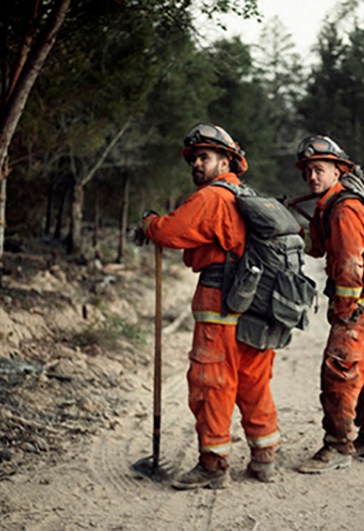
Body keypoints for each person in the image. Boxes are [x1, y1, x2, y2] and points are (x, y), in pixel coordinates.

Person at [135, 124, 280, 489]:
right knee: (253, 382)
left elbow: (170, 232)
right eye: (194, 158)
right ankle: (264, 458)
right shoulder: (245, 195)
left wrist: (149, 223)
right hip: (255, 307)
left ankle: (213, 466)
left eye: (205, 157)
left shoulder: (212, 197)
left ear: (226, 160)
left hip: (221, 304)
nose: (197, 164)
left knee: (211, 381)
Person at [293, 135, 364, 474]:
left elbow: (350, 266)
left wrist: (344, 311)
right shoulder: (328, 207)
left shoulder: (345, 210)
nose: (312, 177)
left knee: (339, 370)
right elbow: (318, 251)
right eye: (308, 172)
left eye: (319, 169)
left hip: (356, 305)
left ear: (339, 172)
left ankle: (338, 446)